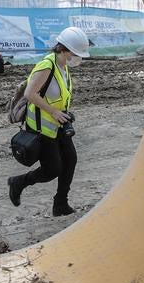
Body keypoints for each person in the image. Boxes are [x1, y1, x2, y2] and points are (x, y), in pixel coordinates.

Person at [6, 26, 90, 216]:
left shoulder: (63, 67)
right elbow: (30, 93)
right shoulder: (47, 66)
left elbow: (58, 95)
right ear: (64, 49)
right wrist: (53, 112)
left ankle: (60, 204)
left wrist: (64, 113)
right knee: (52, 170)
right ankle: (18, 182)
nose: (79, 57)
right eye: (76, 53)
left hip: (58, 124)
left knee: (70, 160)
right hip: (42, 127)